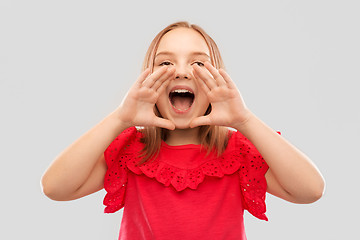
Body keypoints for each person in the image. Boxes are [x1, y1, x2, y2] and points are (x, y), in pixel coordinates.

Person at [41, 21, 325, 239]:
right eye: (165, 63)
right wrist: (120, 118)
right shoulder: (130, 150)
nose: (181, 71)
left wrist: (244, 120)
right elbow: (55, 187)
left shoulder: (236, 152)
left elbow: (310, 190)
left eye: (198, 63)